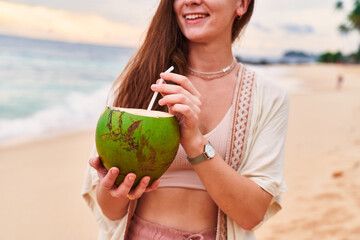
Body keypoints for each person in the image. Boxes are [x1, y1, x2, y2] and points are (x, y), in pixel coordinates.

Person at [82, 0, 289, 239]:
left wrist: (194, 141)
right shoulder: (139, 82)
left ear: (241, 4)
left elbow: (251, 214)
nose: (191, 1)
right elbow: (110, 212)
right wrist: (114, 187)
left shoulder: (269, 97)